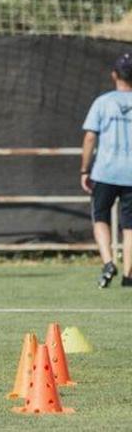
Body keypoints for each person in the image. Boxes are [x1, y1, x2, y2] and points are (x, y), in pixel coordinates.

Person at [81, 52, 132, 288]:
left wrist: (84, 170)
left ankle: (108, 262)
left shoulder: (103, 102)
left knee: (100, 217)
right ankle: (129, 274)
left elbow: (90, 136)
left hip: (105, 172)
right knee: (130, 225)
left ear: (114, 75)